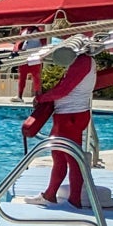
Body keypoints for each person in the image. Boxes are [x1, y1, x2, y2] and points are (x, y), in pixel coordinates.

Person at [27, 37, 97, 209]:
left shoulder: (82, 63)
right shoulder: (85, 61)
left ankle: (74, 201)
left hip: (70, 116)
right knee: (59, 156)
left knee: (73, 159)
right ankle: (50, 195)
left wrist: (42, 98)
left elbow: (65, 90)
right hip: (70, 115)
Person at [14, 28, 44, 101]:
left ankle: (38, 97)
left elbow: (44, 43)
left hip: (35, 57)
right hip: (24, 57)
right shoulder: (23, 31)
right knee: (22, 77)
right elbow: (18, 43)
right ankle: (19, 96)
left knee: (36, 77)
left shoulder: (40, 32)